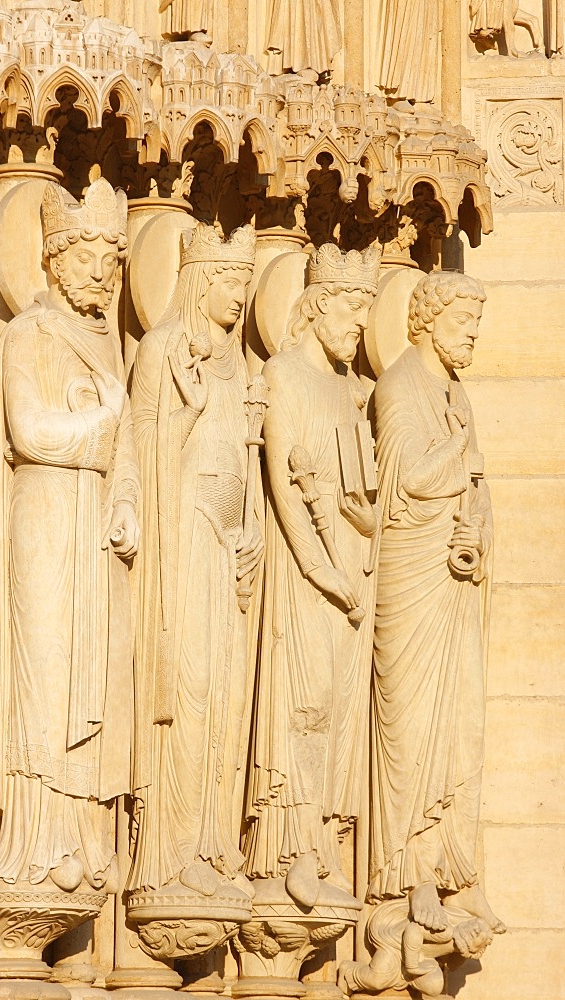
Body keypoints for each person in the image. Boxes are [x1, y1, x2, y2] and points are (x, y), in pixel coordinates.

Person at [0, 176, 140, 894]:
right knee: (44, 671)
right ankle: (30, 843)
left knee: (85, 672)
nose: (101, 272)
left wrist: (125, 499)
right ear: (55, 258)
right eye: (86, 257)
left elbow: (125, 444)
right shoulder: (31, 333)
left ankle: (75, 835)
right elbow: (31, 432)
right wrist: (102, 420)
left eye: (112, 259)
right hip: (43, 518)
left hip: (92, 521)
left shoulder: (105, 347)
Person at [128, 223, 263, 912]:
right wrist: (187, 409)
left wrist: (252, 534)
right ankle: (169, 853)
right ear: (201, 280)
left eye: (246, 282)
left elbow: (249, 466)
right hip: (178, 537)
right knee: (186, 687)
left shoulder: (241, 368)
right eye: (231, 281)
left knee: (223, 697)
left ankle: (210, 843)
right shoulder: (161, 351)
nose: (240, 295)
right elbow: (143, 450)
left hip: (224, 540)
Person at [243, 243, 380, 909]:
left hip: (351, 571)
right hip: (309, 578)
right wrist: (326, 574)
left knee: (336, 713)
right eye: (354, 308)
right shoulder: (284, 377)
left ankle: (320, 843)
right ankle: (284, 847)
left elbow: (356, 492)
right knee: (301, 703)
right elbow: (285, 491)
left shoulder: (344, 388)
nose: (361, 324)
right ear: (319, 305)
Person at [368, 271, 505, 936]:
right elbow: (406, 484)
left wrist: (473, 524)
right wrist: (462, 456)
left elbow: (468, 485)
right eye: (462, 322)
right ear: (425, 321)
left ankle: (450, 869)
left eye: (475, 323)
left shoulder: (455, 391)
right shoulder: (399, 387)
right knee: (410, 724)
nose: (471, 334)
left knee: (456, 724)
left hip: (450, 578)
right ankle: (400, 874)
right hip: (409, 579)